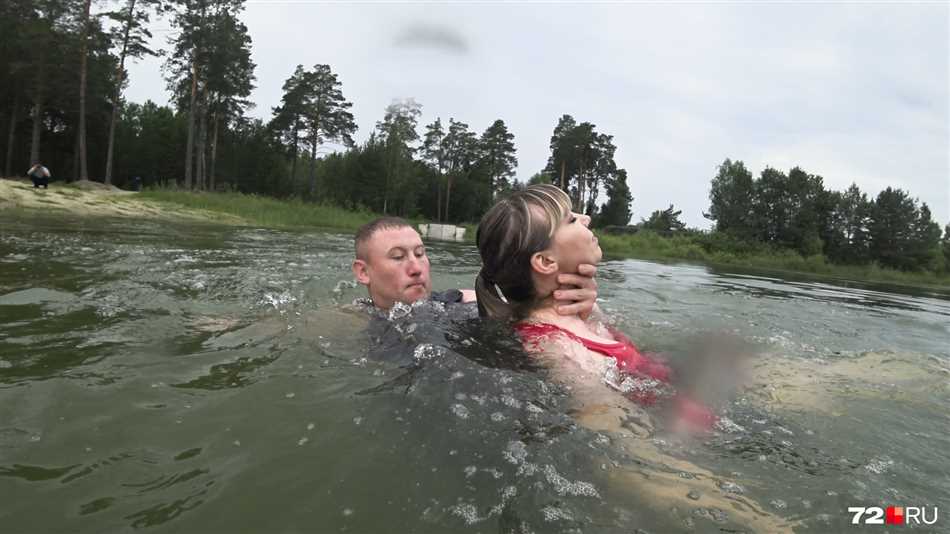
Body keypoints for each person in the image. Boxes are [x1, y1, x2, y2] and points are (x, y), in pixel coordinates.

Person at [474, 184, 716, 430]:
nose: (586, 219)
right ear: (546, 261)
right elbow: (610, 425)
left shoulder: (582, 314)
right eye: (570, 220)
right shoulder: (560, 348)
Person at [351, 216, 599, 315]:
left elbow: (527, 311)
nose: (416, 267)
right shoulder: (349, 321)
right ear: (363, 272)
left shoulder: (461, 301)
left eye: (420, 253)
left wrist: (579, 305)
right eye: (397, 257)